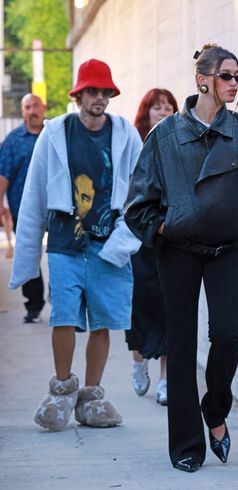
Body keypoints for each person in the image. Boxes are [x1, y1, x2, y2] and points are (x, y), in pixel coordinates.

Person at [124, 43, 238, 472]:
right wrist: (169, 225)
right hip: (178, 251)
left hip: (228, 248)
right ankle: (186, 445)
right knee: (180, 346)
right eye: (227, 76)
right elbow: (138, 203)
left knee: (227, 335)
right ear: (203, 79)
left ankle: (215, 410)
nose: (235, 84)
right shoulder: (164, 136)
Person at [9, 59, 142, 431]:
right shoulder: (55, 133)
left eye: (104, 92)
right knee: (64, 315)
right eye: (92, 91)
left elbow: (142, 191)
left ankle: (92, 396)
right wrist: (27, 258)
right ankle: (62, 389)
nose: (99, 97)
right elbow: (34, 194)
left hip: (107, 244)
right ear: (79, 94)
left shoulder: (125, 133)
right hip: (66, 242)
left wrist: (125, 240)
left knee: (103, 321)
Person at [126, 89, 178, 405]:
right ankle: (138, 359)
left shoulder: (181, 144)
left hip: (171, 237)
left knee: (171, 308)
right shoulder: (133, 145)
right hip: (137, 239)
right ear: (145, 113)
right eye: (156, 108)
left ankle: (166, 380)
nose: (163, 112)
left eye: (168, 107)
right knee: (139, 305)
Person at [0, 94, 46, 321]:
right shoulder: (13, 140)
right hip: (24, 211)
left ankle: (62, 299)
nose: (32, 110)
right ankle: (33, 305)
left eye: (35, 106)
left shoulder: (56, 134)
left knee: (62, 256)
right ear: (22, 111)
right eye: (27, 107)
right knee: (29, 256)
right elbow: (3, 175)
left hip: (58, 210)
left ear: (44, 108)